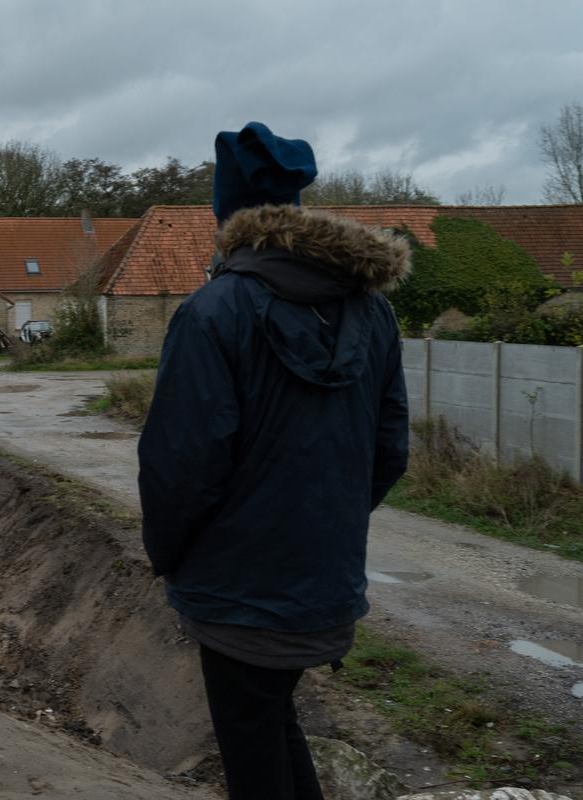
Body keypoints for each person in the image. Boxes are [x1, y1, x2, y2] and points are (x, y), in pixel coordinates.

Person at [137, 122, 410, 799]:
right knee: (269, 720)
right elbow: (389, 449)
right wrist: (326, 525)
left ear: (226, 211)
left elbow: (182, 465)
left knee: (253, 749)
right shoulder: (373, 314)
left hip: (236, 587)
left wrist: (169, 555)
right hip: (323, 582)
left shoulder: (213, 311)